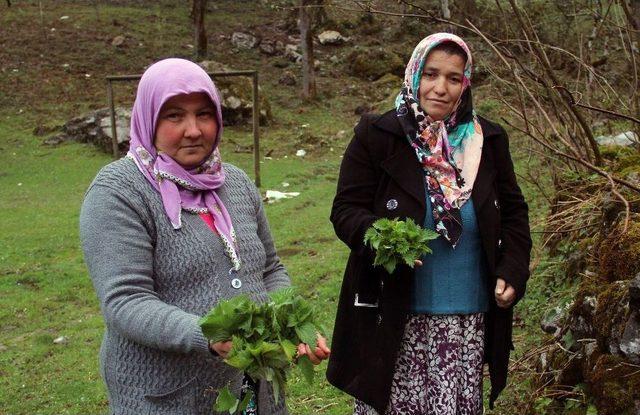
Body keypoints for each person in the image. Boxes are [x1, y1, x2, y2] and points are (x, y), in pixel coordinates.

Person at [80, 58, 329, 415]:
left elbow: (270, 270)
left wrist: (292, 328)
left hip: (253, 386)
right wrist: (208, 336)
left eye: (204, 114)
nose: (194, 130)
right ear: (149, 119)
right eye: (174, 116)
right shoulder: (118, 192)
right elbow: (126, 301)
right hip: (169, 395)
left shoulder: (236, 182)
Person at [326, 33, 532, 415]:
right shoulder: (378, 136)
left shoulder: (487, 142)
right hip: (395, 312)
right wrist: (384, 241)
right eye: (431, 74)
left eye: (454, 78)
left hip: (465, 319)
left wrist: (514, 268)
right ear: (414, 74)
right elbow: (346, 209)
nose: (441, 88)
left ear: (465, 84)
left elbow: (515, 214)